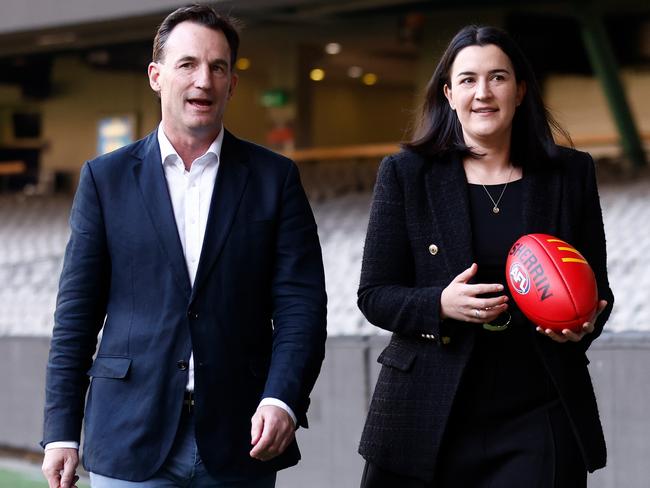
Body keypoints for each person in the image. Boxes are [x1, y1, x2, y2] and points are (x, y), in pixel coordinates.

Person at [41, 5, 327, 488]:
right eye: (188, 64)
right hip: (129, 436)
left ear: (233, 83)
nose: (204, 80)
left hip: (240, 438)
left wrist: (282, 399)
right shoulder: (104, 180)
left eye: (218, 67)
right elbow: (76, 315)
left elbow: (301, 305)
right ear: (156, 76)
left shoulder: (274, 179)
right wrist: (60, 432)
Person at [357, 25, 614, 488]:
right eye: (469, 79)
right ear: (449, 94)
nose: (483, 93)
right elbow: (374, 295)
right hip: (426, 410)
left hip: (537, 408)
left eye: (498, 77)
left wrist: (580, 324)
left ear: (519, 91)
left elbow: (598, 289)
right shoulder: (406, 174)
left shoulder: (570, 173)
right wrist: (439, 304)